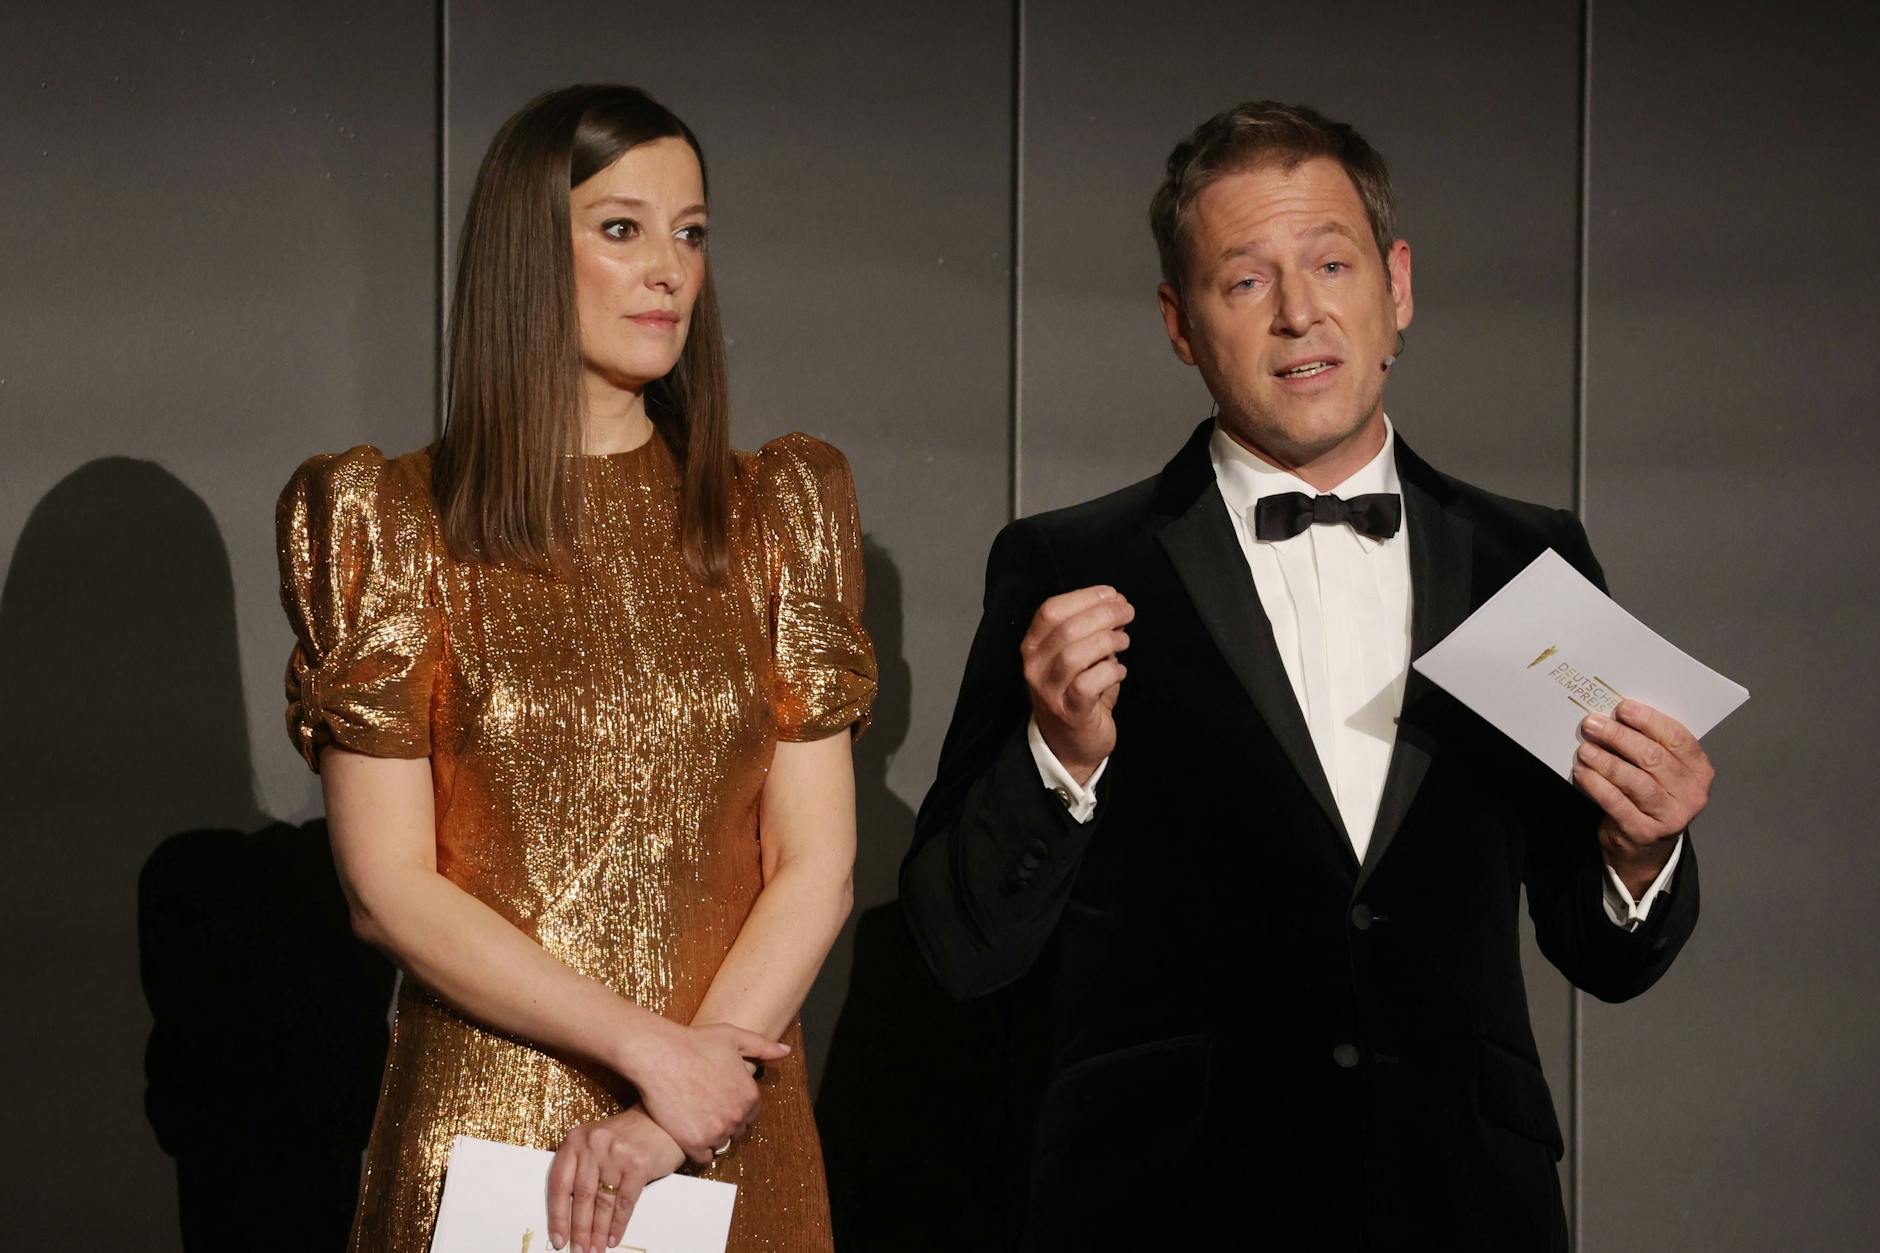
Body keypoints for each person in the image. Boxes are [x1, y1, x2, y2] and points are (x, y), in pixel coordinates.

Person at [901, 101, 1710, 1251]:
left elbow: (1600, 947)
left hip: (1463, 1200)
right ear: (1180, 325)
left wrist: (1639, 851)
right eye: (1244, 281)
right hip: (1166, 1209)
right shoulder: (1069, 567)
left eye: (1330, 263)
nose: (1297, 312)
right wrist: (1057, 758)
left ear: (1396, 287)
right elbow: (957, 940)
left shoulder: (1526, 560)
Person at [277, 84, 874, 1253]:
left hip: (722, 1120)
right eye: (620, 228)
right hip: (498, 1130)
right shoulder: (393, 520)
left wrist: (675, 1108)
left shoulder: (773, 513)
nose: (667, 269)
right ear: (525, 255)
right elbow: (386, 883)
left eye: (689, 233)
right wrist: (653, 1053)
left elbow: (816, 863)